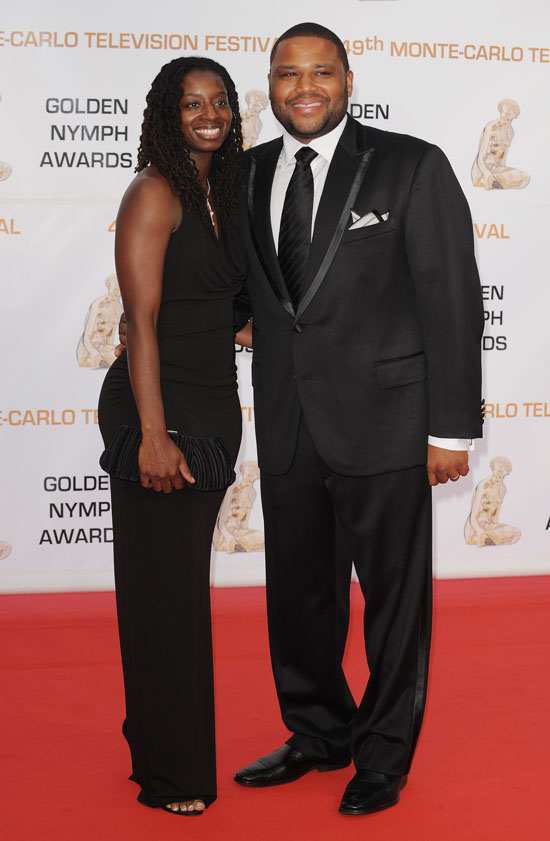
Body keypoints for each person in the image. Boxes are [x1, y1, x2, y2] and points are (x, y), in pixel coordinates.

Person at [231, 23, 484, 816]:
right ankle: (316, 731)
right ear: (269, 86)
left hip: (389, 420)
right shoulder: (247, 173)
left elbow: (452, 298)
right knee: (298, 594)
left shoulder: (411, 164)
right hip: (288, 419)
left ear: (348, 79)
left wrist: (451, 429)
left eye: (321, 72)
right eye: (287, 74)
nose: (304, 87)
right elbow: (257, 288)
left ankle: (381, 754)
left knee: (393, 600)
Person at [98, 56, 250, 816]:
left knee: (179, 590)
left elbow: (225, 307)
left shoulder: (224, 191)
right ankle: (171, 773)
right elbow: (141, 323)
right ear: (166, 112)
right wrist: (155, 436)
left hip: (216, 407)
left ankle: (151, 732)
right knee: (165, 599)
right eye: (192, 103)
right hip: (156, 409)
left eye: (219, 100)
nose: (209, 113)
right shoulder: (153, 193)